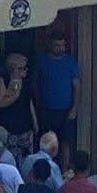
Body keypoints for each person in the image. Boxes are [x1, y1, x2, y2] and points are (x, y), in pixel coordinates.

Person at [35, 31, 79, 168]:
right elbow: (35, 83)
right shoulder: (42, 61)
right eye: (57, 45)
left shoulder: (70, 62)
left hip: (66, 110)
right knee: (46, 141)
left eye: (62, 45)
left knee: (65, 142)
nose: (60, 48)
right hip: (47, 109)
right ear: (50, 45)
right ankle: (47, 169)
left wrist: (74, 108)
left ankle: (64, 171)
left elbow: (76, 86)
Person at [0, 53, 37, 166]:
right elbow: (0, 103)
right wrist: (15, 95)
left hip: (26, 126)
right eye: (22, 68)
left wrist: (35, 121)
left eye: (25, 67)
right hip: (10, 125)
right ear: (13, 69)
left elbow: (29, 102)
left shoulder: (27, 82)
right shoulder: (4, 81)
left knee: (26, 157)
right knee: (10, 157)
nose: (25, 70)